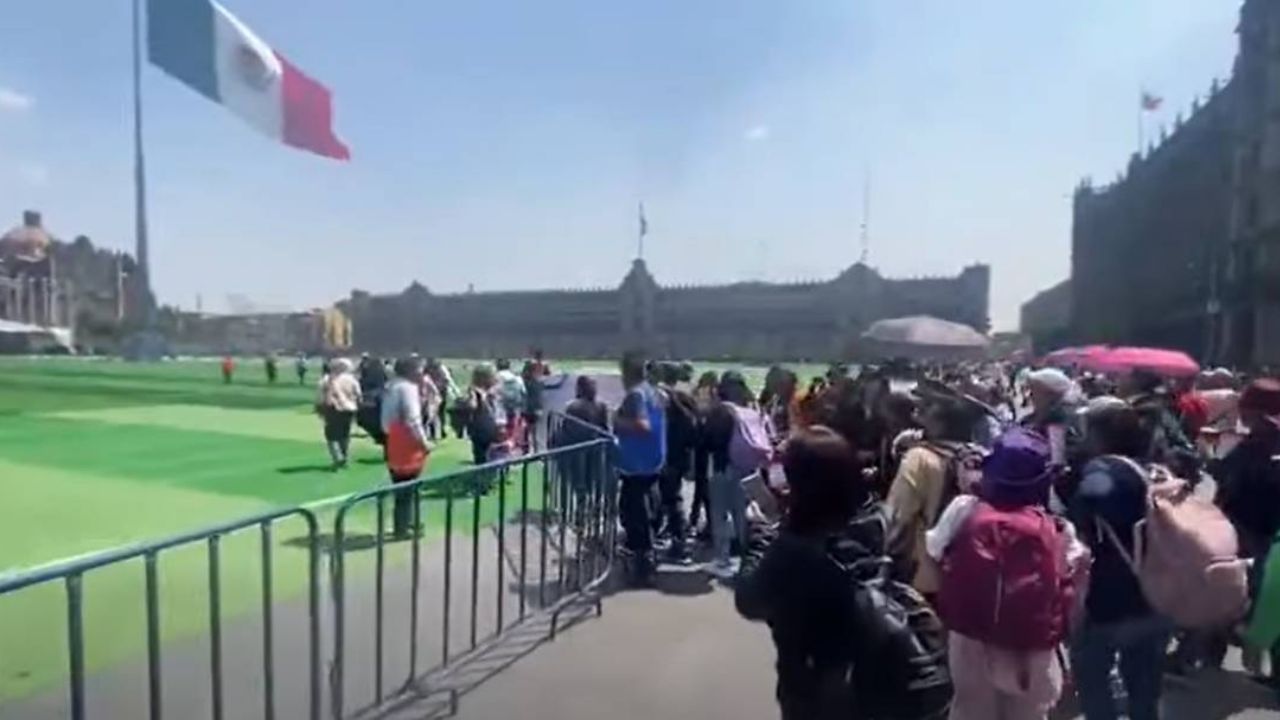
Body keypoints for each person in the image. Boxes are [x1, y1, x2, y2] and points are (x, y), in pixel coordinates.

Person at [735, 426, 906, 720]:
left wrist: (760, 537)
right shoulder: (875, 520)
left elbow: (750, 601)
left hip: (814, 689)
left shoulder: (793, 549)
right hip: (878, 679)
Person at [928, 428, 1088, 720]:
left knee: (971, 709)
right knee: (1028, 713)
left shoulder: (965, 510)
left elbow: (935, 549)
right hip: (1033, 641)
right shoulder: (1057, 527)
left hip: (971, 635)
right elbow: (1073, 573)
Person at [1068, 405, 1170, 720]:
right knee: (1144, 683)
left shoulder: (1103, 472)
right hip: (1161, 590)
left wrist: (1071, 471)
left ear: (1101, 435)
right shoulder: (1158, 471)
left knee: (1092, 675)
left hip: (1110, 596)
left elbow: (1078, 514)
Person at [886, 395, 978, 601]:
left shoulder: (919, 457)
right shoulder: (978, 456)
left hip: (923, 574)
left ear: (941, 422)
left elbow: (898, 514)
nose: (921, 408)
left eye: (928, 406)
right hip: (965, 572)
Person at [705, 370, 767, 579]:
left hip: (723, 466)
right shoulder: (751, 410)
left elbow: (709, 440)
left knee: (720, 514)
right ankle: (748, 558)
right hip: (748, 469)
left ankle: (722, 560)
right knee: (743, 514)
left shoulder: (722, 410)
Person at [613, 350, 667, 585]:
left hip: (637, 463)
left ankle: (643, 566)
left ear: (627, 372)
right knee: (648, 509)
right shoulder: (654, 392)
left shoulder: (635, 395)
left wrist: (616, 421)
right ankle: (646, 557)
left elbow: (643, 426)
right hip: (653, 460)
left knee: (635, 514)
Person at [381, 357, 432, 538]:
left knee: (401, 486)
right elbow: (413, 420)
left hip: (392, 439)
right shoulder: (408, 388)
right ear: (411, 370)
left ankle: (406, 523)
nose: (422, 373)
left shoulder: (391, 386)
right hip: (407, 442)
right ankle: (404, 527)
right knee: (408, 486)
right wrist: (424, 443)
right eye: (420, 369)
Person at [657, 362, 699, 563]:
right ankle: (676, 541)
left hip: (665, 457)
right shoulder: (685, 398)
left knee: (667, 500)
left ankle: (676, 543)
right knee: (672, 499)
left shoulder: (663, 397)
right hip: (680, 456)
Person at [316, 357, 361, 469]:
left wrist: (319, 409)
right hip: (349, 408)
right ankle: (345, 456)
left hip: (333, 409)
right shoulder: (352, 380)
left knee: (331, 436)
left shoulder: (326, 379)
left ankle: (337, 457)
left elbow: (320, 396)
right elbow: (358, 395)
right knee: (345, 434)